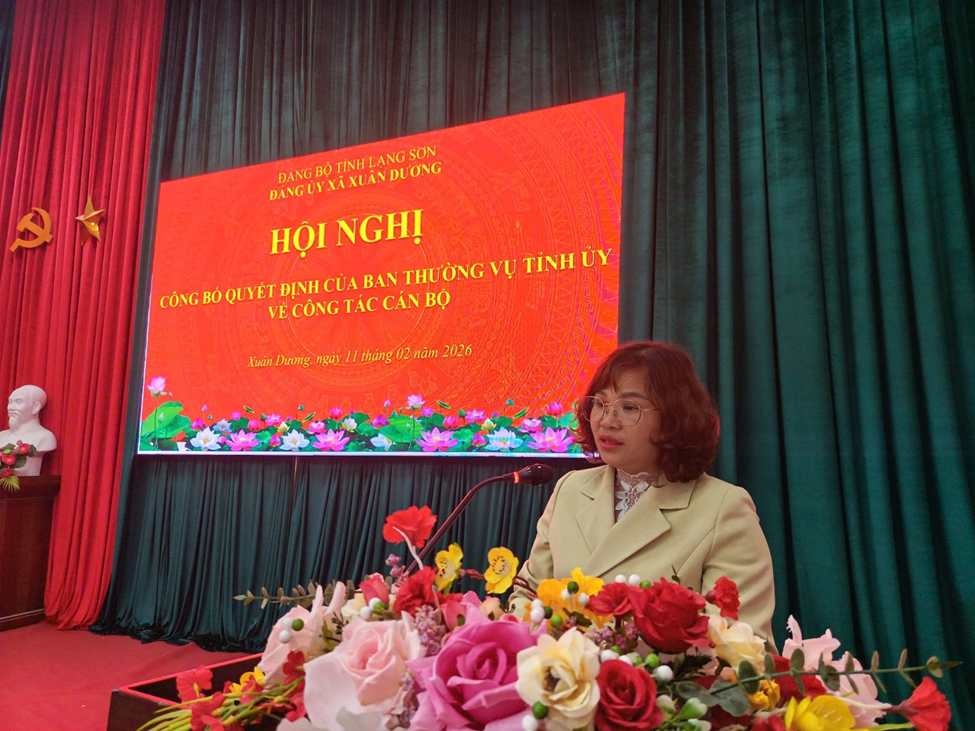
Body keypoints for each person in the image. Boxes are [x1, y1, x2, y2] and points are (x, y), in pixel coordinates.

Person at [510, 341, 776, 643]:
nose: (607, 421)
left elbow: (742, 642)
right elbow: (527, 594)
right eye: (600, 403)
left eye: (629, 408)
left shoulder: (723, 508)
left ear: (673, 419)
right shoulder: (570, 489)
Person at [0, 384, 57, 476]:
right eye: (10, 402)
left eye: (18, 402)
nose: (11, 408)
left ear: (35, 407)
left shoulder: (44, 437)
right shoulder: (1, 436)